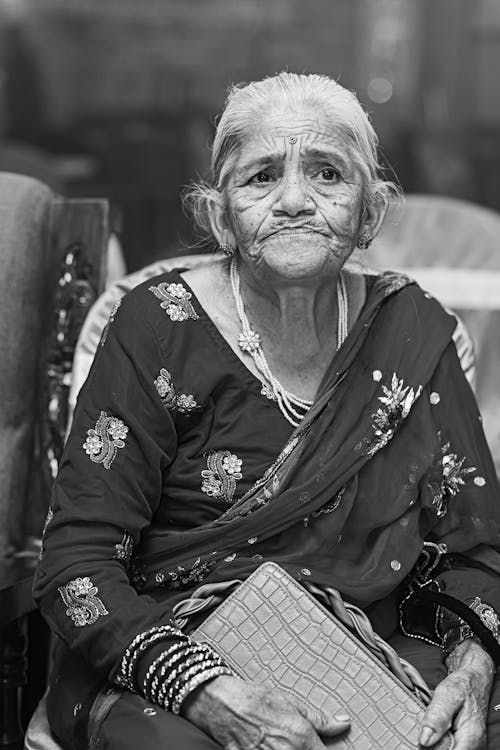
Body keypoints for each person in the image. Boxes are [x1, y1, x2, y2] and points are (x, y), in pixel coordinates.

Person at [34, 72, 500, 750]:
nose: (293, 201)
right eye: (259, 178)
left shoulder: (413, 331)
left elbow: (472, 547)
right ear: (219, 216)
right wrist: (206, 691)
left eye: (327, 174)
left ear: (370, 212)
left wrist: (473, 661)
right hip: (183, 642)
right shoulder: (159, 327)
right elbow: (76, 561)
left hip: (375, 637)